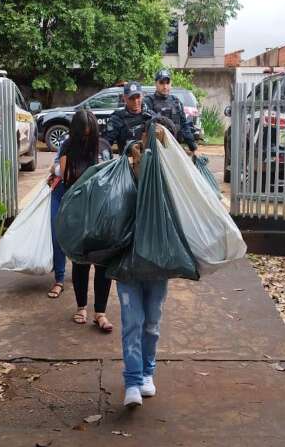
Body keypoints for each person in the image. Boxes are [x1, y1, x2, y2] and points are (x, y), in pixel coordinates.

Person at [118, 123, 171, 407]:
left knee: (151, 322)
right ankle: (133, 381)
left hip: (158, 263)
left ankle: (148, 373)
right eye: (148, 139)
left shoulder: (173, 176)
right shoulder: (126, 167)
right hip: (128, 261)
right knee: (132, 323)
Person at [59, 110, 114, 332]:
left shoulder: (103, 147)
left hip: (102, 214)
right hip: (79, 215)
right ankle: (81, 307)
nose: (87, 138)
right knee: (80, 262)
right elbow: (67, 182)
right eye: (83, 134)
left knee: (103, 263)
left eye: (90, 134)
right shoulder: (68, 148)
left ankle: (100, 312)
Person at [143, 69, 198, 154]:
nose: (165, 87)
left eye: (167, 83)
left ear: (171, 84)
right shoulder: (148, 101)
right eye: (161, 83)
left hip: (175, 148)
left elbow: (184, 125)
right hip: (156, 151)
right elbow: (147, 123)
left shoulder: (176, 102)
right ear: (156, 84)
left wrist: (192, 146)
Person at [103, 81, 151, 153]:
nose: (135, 101)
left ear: (142, 96)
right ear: (125, 98)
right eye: (132, 98)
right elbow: (106, 143)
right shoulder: (117, 119)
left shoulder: (150, 116)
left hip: (149, 161)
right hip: (128, 162)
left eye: (138, 97)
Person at [47, 141, 67, 299]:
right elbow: (56, 168)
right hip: (59, 193)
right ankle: (59, 279)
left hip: (82, 196)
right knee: (56, 236)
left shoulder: (96, 145)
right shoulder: (66, 143)